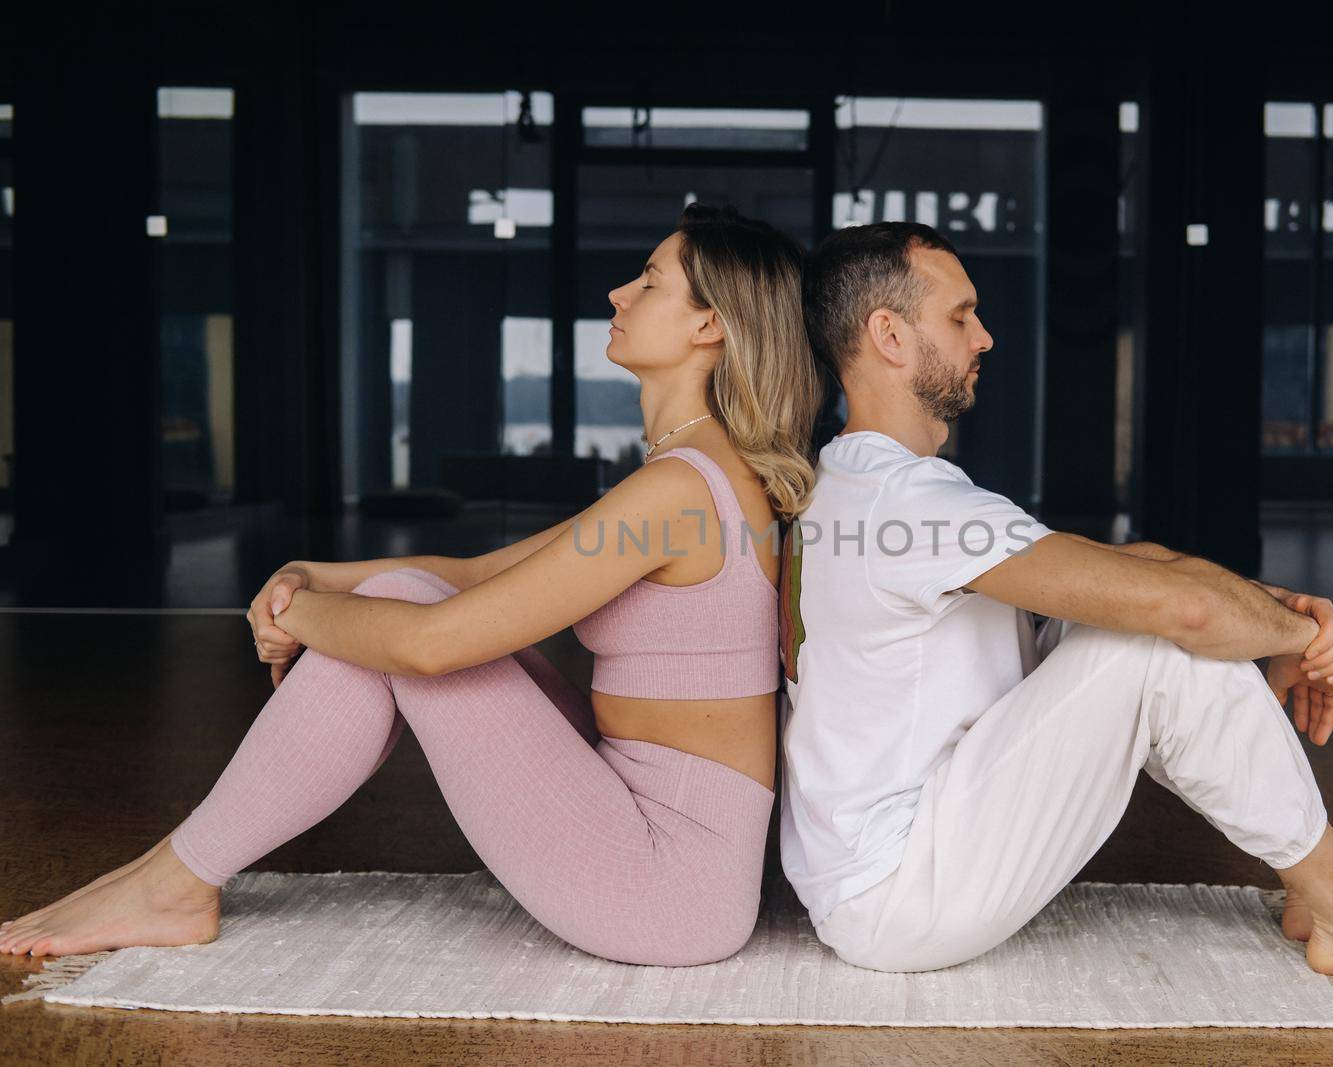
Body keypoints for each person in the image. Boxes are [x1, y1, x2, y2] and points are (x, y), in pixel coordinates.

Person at [1, 203, 822, 967]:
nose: (617, 291)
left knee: (404, 620)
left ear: (709, 323)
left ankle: (176, 880)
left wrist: (303, 611)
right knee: (400, 588)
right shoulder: (698, 471)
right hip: (674, 849)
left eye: (648, 280)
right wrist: (315, 575)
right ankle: (173, 872)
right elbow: (474, 576)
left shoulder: (681, 488)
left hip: (666, 886)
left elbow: (432, 645)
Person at [775, 220, 1333, 985]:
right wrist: (1294, 634)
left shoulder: (862, 483)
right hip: (900, 892)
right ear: (890, 336)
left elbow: (1114, 571)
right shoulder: (907, 501)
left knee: (1131, 616)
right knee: (1151, 643)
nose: (985, 337)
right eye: (961, 315)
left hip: (879, 868)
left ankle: (1322, 889)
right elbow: (1185, 610)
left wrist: (1275, 610)